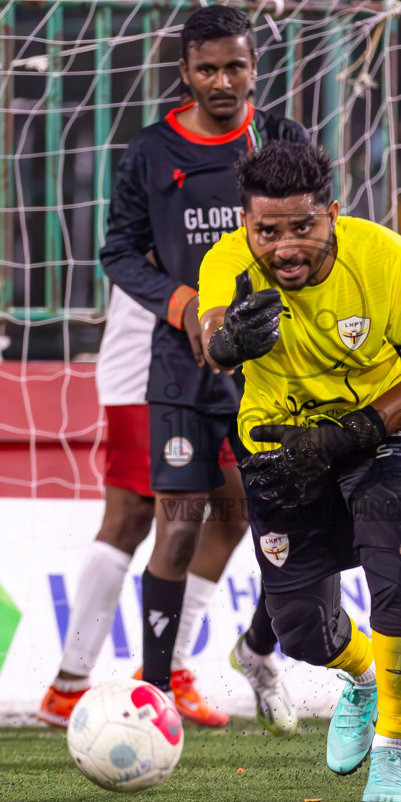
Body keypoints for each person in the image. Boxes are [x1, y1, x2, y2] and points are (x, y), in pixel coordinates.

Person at [198, 141, 401, 802]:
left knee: (389, 545)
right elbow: (212, 334)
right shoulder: (227, 262)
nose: (286, 246)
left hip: (381, 424)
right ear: (247, 225)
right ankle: (365, 680)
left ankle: (395, 749)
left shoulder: (388, 261)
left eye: (303, 227)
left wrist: (352, 433)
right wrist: (227, 343)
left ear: (332, 214)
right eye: (267, 231)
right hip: (278, 438)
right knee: (301, 629)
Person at [98, 5, 311, 706]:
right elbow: (118, 252)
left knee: (280, 514)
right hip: (181, 362)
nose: (223, 81)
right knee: (179, 518)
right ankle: (153, 691)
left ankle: (257, 648)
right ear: (184, 74)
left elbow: (318, 232)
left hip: (272, 362)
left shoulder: (280, 140)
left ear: (255, 68)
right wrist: (180, 302)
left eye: (236, 66)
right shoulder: (150, 153)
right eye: (208, 69)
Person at [37, 285, 297, 734]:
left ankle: (169, 667)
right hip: (148, 366)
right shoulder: (164, 215)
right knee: (134, 513)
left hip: (220, 372)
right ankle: (70, 682)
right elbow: (128, 253)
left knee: (233, 508)